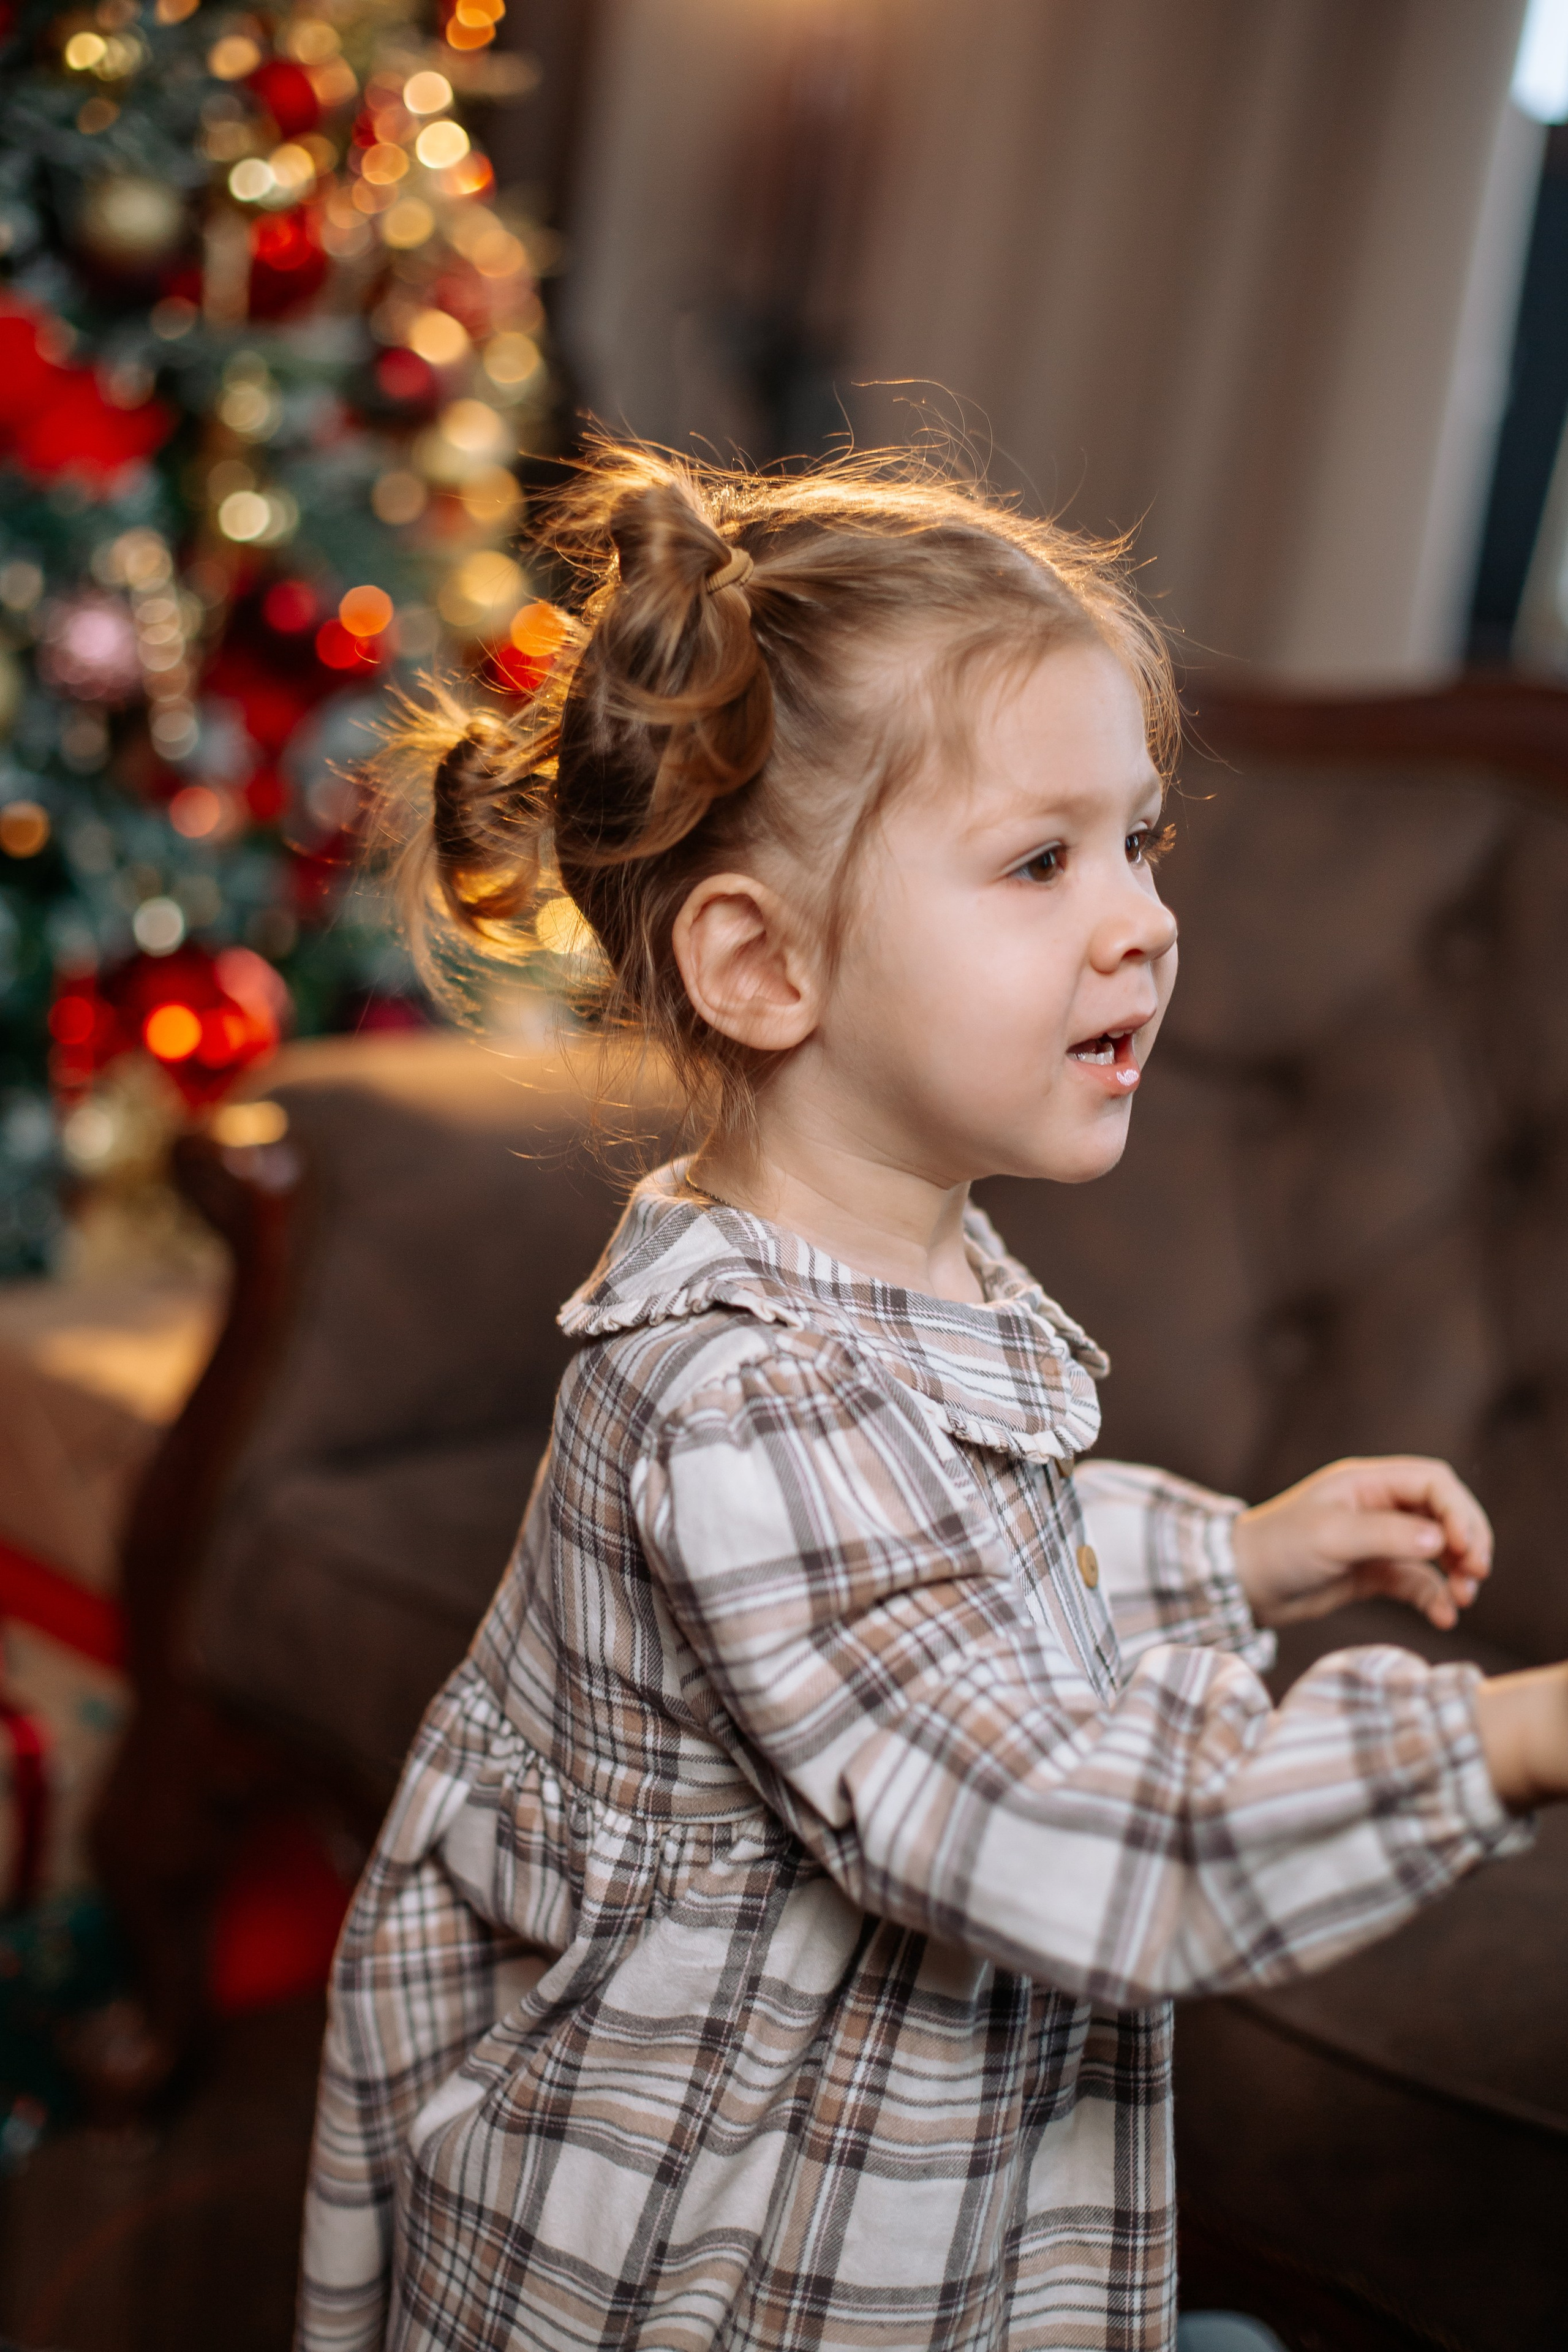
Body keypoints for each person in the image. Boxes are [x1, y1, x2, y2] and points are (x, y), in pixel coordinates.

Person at [296, 447, 1567, 2352]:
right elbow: (1041, 1823)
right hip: (724, 2263)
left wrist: (1230, 1552)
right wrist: (1505, 1740)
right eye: (1042, 860)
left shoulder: (904, 1271)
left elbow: (967, 1577)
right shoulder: (748, 1395)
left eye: (1142, 842)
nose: (1139, 918)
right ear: (762, 960)